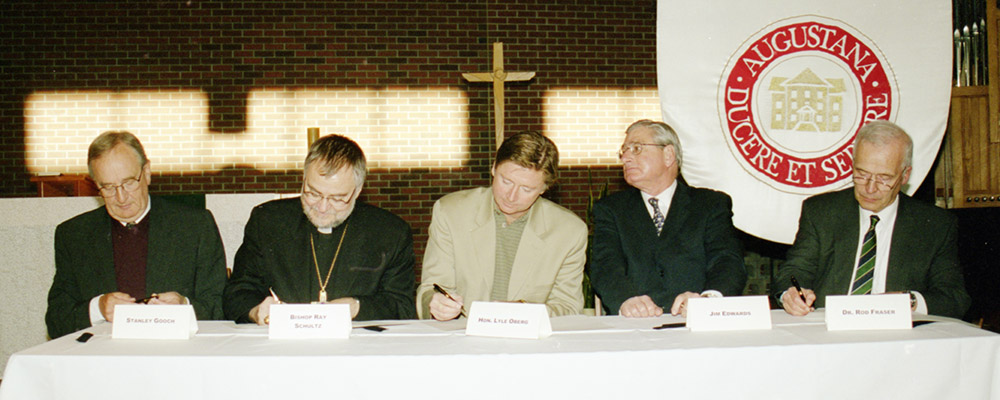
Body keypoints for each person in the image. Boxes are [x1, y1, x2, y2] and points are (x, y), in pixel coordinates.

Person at [775, 120, 970, 318]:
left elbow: (954, 299)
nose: (870, 188)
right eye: (861, 174)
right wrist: (790, 295)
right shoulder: (821, 212)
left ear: (904, 176)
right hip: (829, 333)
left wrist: (908, 301)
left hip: (898, 339)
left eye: (884, 178)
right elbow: (794, 271)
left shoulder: (935, 225)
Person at [45, 131, 227, 338]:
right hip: (102, 362)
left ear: (147, 172)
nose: (121, 197)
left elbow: (219, 305)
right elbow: (56, 321)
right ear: (95, 184)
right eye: (108, 187)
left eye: (129, 182)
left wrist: (184, 307)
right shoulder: (74, 235)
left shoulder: (195, 226)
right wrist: (98, 308)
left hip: (176, 358)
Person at [224, 134, 416, 324]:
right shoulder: (268, 221)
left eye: (337, 198)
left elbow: (402, 305)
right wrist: (256, 310)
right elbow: (237, 292)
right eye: (313, 193)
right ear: (304, 179)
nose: (322, 207)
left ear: (357, 191)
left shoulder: (390, 232)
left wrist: (356, 307)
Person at [417, 131, 587, 320]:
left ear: (544, 188)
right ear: (493, 168)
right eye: (506, 181)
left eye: (526, 189)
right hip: (462, 337)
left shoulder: (569, 232)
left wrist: (525, 312)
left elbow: (568, 307)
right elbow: (431, 288)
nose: (511, 196)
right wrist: (435, 304)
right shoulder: (451, 212)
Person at [591, 120, 746, 318]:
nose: (626, 158)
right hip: (636, 325)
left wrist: (707, 301)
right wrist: (626, 300)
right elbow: (605, 265)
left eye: (636, 148)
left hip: (696, 321)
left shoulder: (711, 204)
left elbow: (727, 260)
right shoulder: (610, 209)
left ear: (668, 155)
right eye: (624, 151)